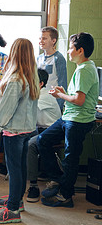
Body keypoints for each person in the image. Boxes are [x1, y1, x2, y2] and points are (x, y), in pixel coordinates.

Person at [38, 32, 98, 208]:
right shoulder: (84, 67)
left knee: (70, 159)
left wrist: (60, 94)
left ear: (80, 50)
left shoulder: (85, 70)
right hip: (69, 117)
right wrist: (65, 92)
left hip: (78, 120)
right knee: (43, 140)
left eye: (71, 48)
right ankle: (59, 180)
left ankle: (65, 196)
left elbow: (79, 101)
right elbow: (78, 96)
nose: (69, 51)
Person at [0, 38, 40, 224]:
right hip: (28, 130)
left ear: (15, 53)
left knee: (14, 170)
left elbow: (5, 110)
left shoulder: (15, 79)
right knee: (21, 168)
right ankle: (16, 201)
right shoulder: (32, 76)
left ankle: (11, 210)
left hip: (13, 131)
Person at [26, 68, 61, 203]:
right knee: (18, 137)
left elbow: (26, 111)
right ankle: (20, 178)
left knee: (30, 145)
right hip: (39, 129)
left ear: (40, 84)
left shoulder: (43, 96)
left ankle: (33, 186)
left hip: (51, 132)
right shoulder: (37, 93)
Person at [37, 26, 67, 111]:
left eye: (44, 39)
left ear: (53, 41)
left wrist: (59, 107)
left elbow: (62, 83)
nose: (41, 41)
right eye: (40, 38)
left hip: (53, 103)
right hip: (40, 101)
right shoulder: (38, 58)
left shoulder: (58, 58)